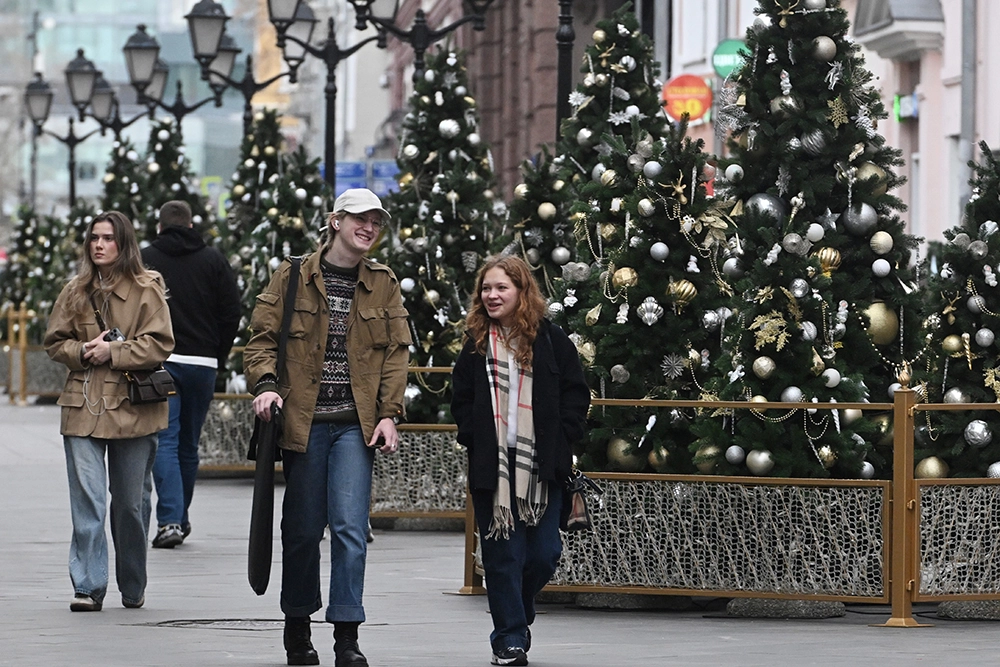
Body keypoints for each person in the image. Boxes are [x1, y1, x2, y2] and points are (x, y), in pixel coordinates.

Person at [244, 188, 410, 667]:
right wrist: (267, 385)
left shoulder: (384, 283)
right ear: (335, 220)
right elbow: (260, 340)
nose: (370, 228)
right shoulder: (293, 275)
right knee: (300, 531)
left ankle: (346, 636)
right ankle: (297, 626)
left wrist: (388, 413)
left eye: (377, 222)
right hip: (303, 424)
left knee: (350, 529)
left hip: (352, 427)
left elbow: (396, 354)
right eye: (361, 218)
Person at [451, 255, 590, 667]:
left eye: (501, 288)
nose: (491, 295)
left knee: (544, 554)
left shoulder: (549, 339)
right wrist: (473, 438)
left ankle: (518, 612)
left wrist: (565, 436)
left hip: (542, 467)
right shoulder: (476, 343)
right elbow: (461, 398)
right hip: (493, 470)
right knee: (503, 557)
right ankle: (509, 637)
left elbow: (575, 392)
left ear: (521, 292)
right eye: (486, 289)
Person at [43, 210, 175, 612]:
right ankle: (88, 585)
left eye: (108, 238)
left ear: (124, 244)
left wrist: (113, 350)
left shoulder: (146, 289)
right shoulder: (75, 291)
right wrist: (83, 350)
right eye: (94, 238)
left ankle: (132, 584)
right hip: (82, 405)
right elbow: (54, 342)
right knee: (88, 502)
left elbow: (160, 344)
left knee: (129, 505)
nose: (99, 245)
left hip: (132, 409)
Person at [141, 200, 241, 548]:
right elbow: (232, 310)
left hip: (161, 362)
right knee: (188, 445)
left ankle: (170, 521)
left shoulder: (146, 258)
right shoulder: (213, 259)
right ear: (191, 225)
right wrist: (219, 353)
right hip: (203, 364)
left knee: (165, 441)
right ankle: (180, 519)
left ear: (159, 227)